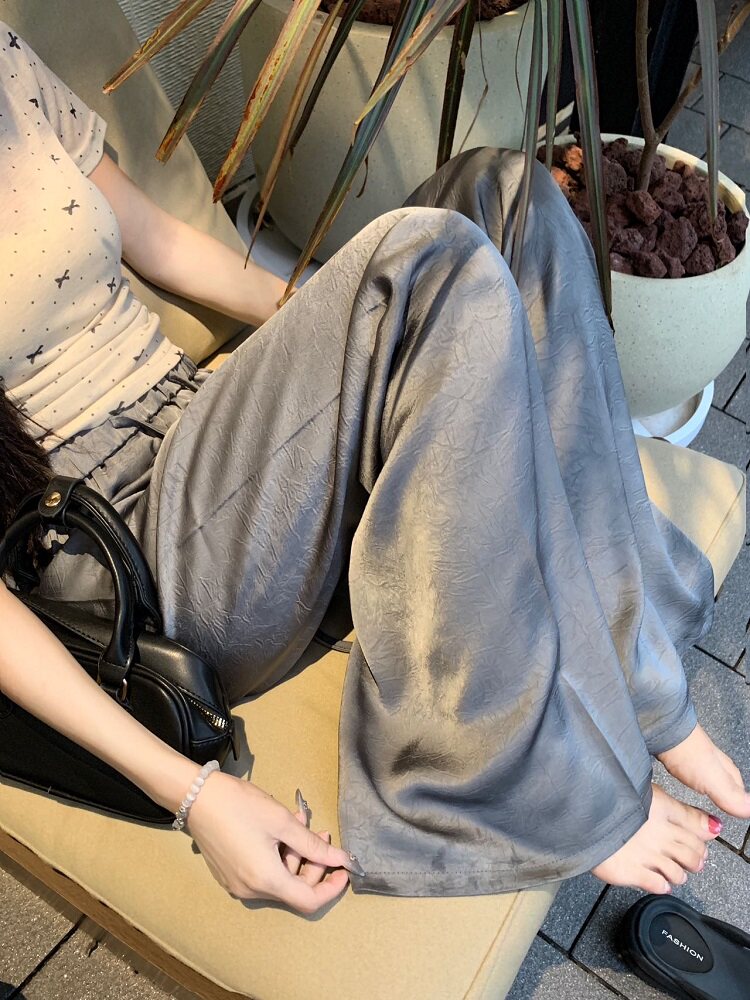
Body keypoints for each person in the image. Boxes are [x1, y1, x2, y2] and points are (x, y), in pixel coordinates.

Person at [1, 22, 749, 915]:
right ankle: (531, 789)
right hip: (118, 542)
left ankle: (638, 668)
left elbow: (156, 241)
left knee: (506, 193)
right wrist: (192, 792)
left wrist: (337, 330)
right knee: (429, 264)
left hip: (201, 421)